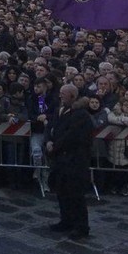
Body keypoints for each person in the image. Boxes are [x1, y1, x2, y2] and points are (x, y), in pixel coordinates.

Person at [46, 84, 93, 240]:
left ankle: (81, 226)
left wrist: (56, 146)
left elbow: (72, 136)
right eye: (60, 93)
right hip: (60, 160)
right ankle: (66, 220)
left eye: (63, 94)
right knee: (62, 192)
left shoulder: (81, 115)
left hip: (74, 160)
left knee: (76, 195)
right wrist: (48, 141)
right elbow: (51, 128)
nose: (60, 96)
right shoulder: (59, 111)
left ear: (73, 96)